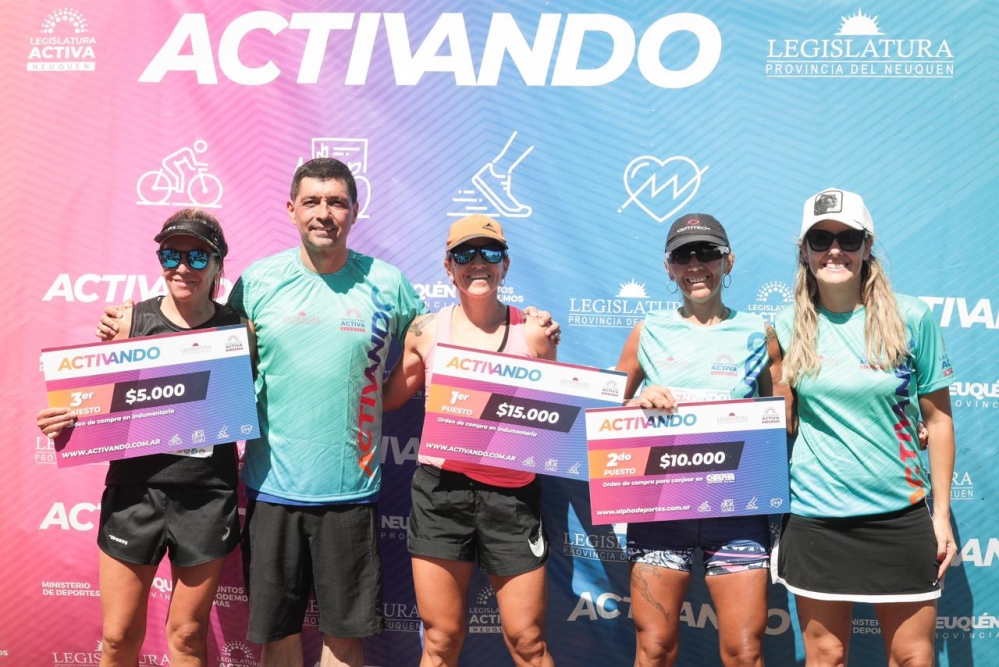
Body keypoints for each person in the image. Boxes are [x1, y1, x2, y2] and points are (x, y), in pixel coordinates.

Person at [37, 210, 246, 667]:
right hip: (135, 493)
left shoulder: (239, 330)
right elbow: (98, 403)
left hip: (206, 496)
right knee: (117, 637)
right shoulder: (128, 322)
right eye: (171, 255)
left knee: (188, 636)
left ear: (218, 264)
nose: (183, 267)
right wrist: (65, 419)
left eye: (197, 256)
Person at [772, 188, 957, 666]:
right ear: (804, 250)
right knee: (826, 657)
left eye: (848, 238)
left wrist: (940, 515)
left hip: (899, 516)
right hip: (817, 518)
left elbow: (938, 421)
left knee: (912, 657)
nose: (834, 250)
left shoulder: (911, 317)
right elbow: (771, 418)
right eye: (821, 239)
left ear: (867, 246)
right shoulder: (784, 326)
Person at [382, 214, 557, 667]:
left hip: (512, 498)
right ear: (448, 266)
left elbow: (556, 418)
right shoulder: (424, 331)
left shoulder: (534, 332)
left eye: (490, 252)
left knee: (527, 640)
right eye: (464, 253)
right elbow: (385, 399)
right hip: (441, 495)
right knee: (440, 640)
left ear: (505, 264)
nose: (477, 262)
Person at [614, 213, 776, 667]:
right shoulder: (648, 331)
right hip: (660, 509)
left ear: (728, 261)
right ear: (669, 268)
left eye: (707, 252)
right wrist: (634, 403)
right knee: (655, 649)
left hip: (737, 512)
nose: (695, 264)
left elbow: (785, 417)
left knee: (744, 653)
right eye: (683, 256)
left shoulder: (760, 333)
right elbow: (602, 410)